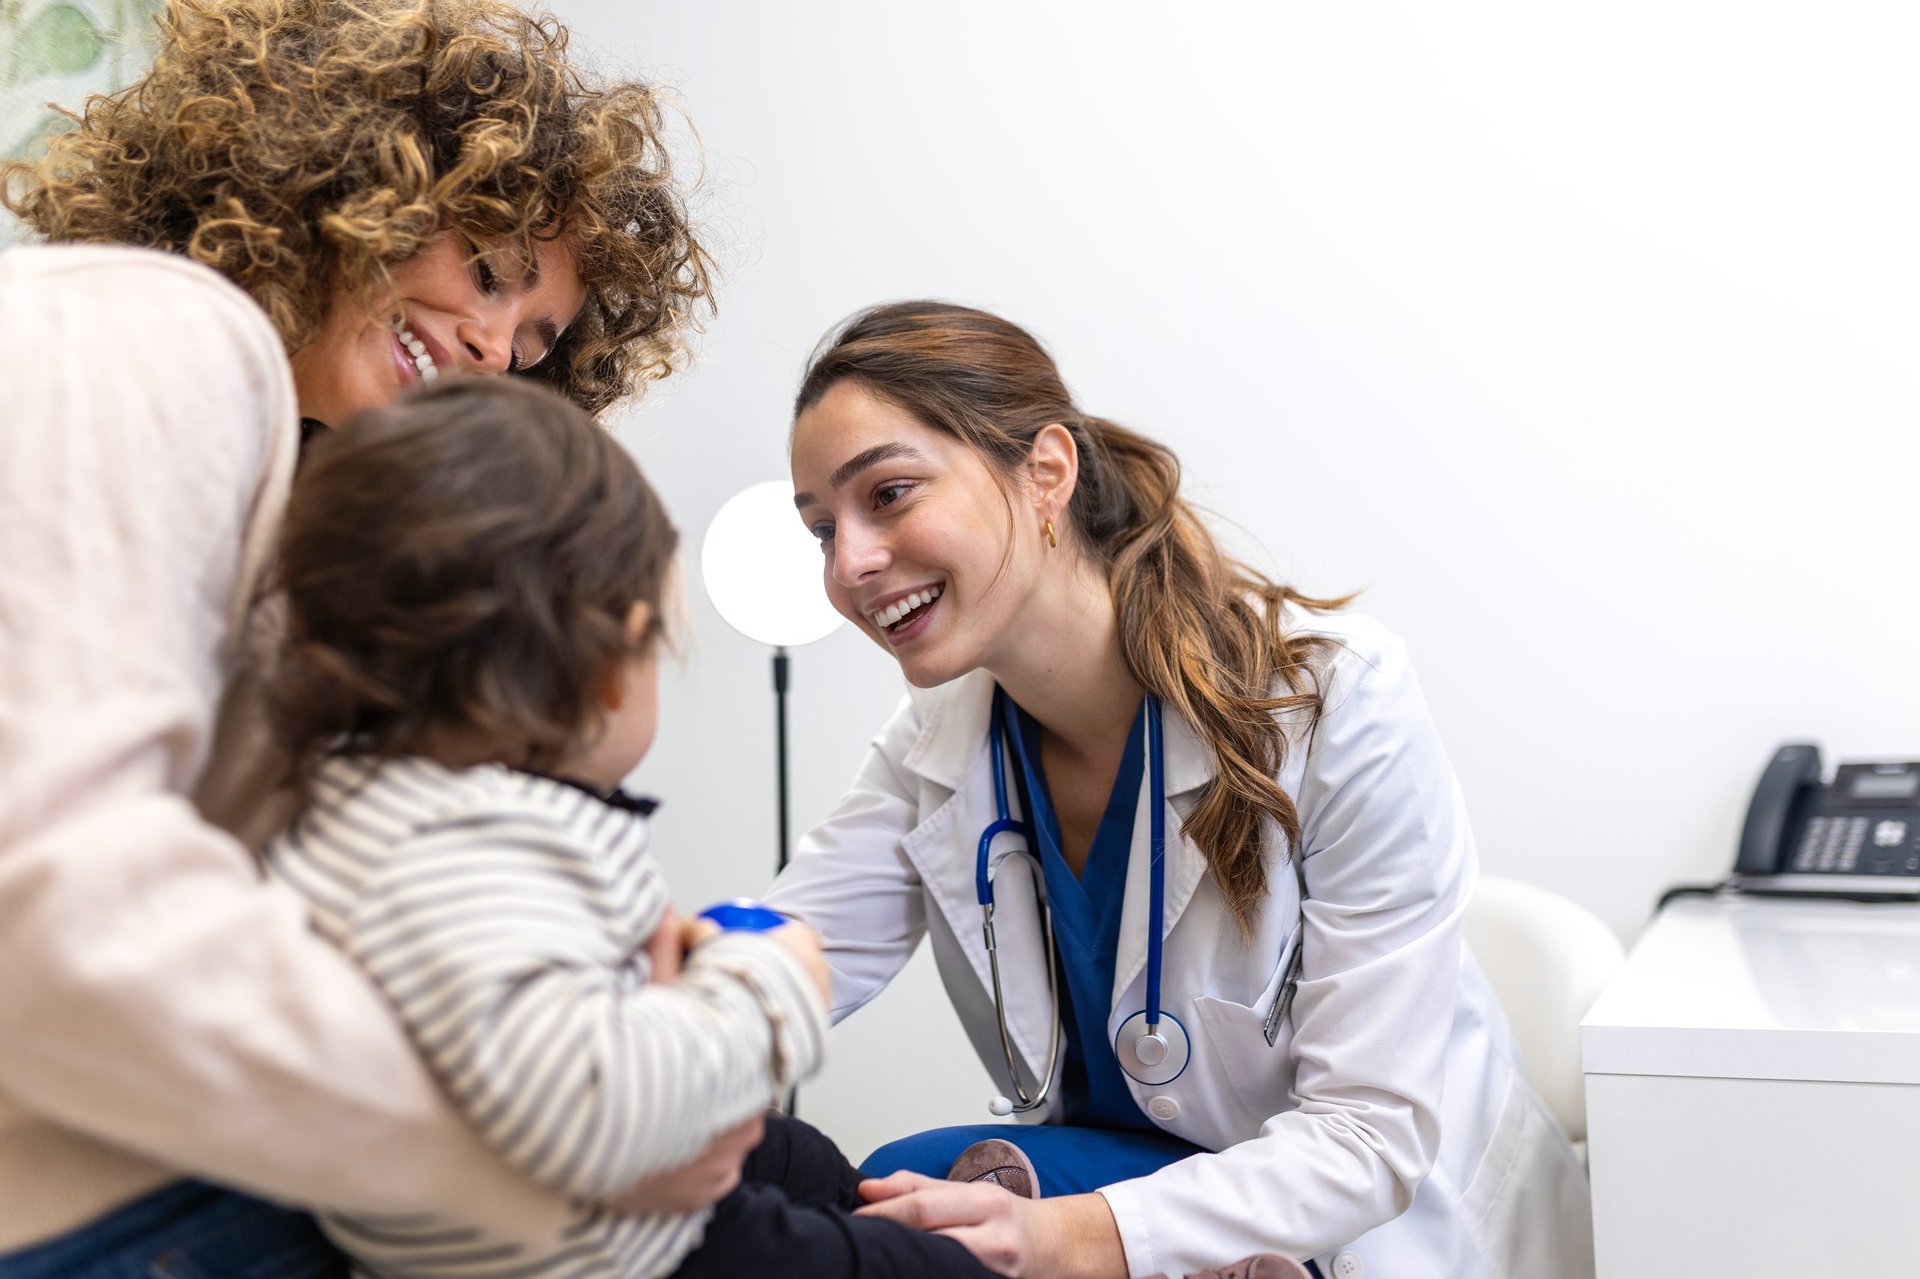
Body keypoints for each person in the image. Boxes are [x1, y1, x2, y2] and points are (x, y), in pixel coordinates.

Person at [0, 1, 736, 1274]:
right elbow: (53, 916)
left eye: (535, 342)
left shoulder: (307, 507)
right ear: (350, 176)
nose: (496, 348)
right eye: (492, 273)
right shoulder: (147, 333)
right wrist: (552, 1162)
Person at [767, 301, 1597, 1279]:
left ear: (1046, 473)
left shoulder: (1333, 704)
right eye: (822, 530)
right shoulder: (938, 750)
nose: (851, 563)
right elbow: (783, 955)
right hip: (1158, 1202)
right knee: (887, 1190)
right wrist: (607, 1013)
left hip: (1376, 1234)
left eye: (890, 495)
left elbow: (1367, 1137)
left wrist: (1070, 1237)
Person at [263, 374, 1033, 1279]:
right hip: (607, 1246)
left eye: (886, 497)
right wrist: (760, 982)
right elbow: (597, 1102)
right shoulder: (481, 844)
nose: (849, 561)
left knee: (806, 1161)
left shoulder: (355, 808)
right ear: (607, 668)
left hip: (535, 1199)